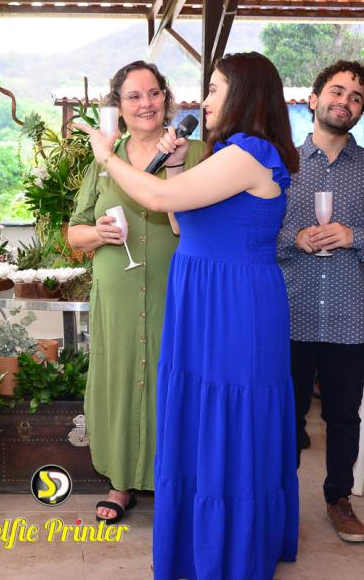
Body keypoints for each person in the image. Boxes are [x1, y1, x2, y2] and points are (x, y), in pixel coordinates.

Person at [77, 52, 299, 580]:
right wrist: (176, 163)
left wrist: (107, 156)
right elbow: (180, 222)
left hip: (234, 304)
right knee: (205, 415)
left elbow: (156, 197)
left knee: (230, 417)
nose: (206, 99)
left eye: (216, 88)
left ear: (244, 94)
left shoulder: (249, 152)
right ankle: (204, 533)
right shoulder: (225, 153)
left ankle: (230, 545)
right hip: (205, 297)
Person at [68, 60, 203, 524]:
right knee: (121, 380)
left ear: (166, 98)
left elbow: (198, 223)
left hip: (176, 291)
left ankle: (177, 480)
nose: (146, 104)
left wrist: (175, 168)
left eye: (153, 93)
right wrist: (97, 233)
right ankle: (120, 482)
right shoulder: (106, 159)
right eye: (134, 96)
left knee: (176, 381)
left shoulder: (196, 152)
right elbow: (74, 231)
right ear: (119, 107)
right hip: (119, 297)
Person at [277, 60, 364, 543]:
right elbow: (256, 232)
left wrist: (354, 236)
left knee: (344, 417)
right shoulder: (282, 164)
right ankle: (281, 500)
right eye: (337, 91)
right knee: (285, 417)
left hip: (351, 317)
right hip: (290, 313)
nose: (345, 101)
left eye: (356, 97)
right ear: (313, 100)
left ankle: (339, 499)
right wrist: (295, 238)